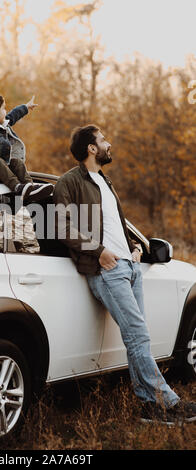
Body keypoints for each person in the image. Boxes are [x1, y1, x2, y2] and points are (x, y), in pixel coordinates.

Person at [53, 124, 196, 425]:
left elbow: (116, 223)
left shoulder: (105, 182)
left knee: (136, 339)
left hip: (130, 268)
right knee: (139, 335)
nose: (109, 143)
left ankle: (149, 406)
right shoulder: (69, 182)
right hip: (106, 270)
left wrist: (133, 248)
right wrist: (99, 252)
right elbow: (62, 225)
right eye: (103, 140)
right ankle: (166, 402)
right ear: (91, 149)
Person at [0, 90, 53, 202]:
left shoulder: (0, 124)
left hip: (2, 163)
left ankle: (29, 187)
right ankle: (17, 187)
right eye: (4, 108)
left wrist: (26, 107)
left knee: (16, 162)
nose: (5, 111)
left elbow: (13, 116)